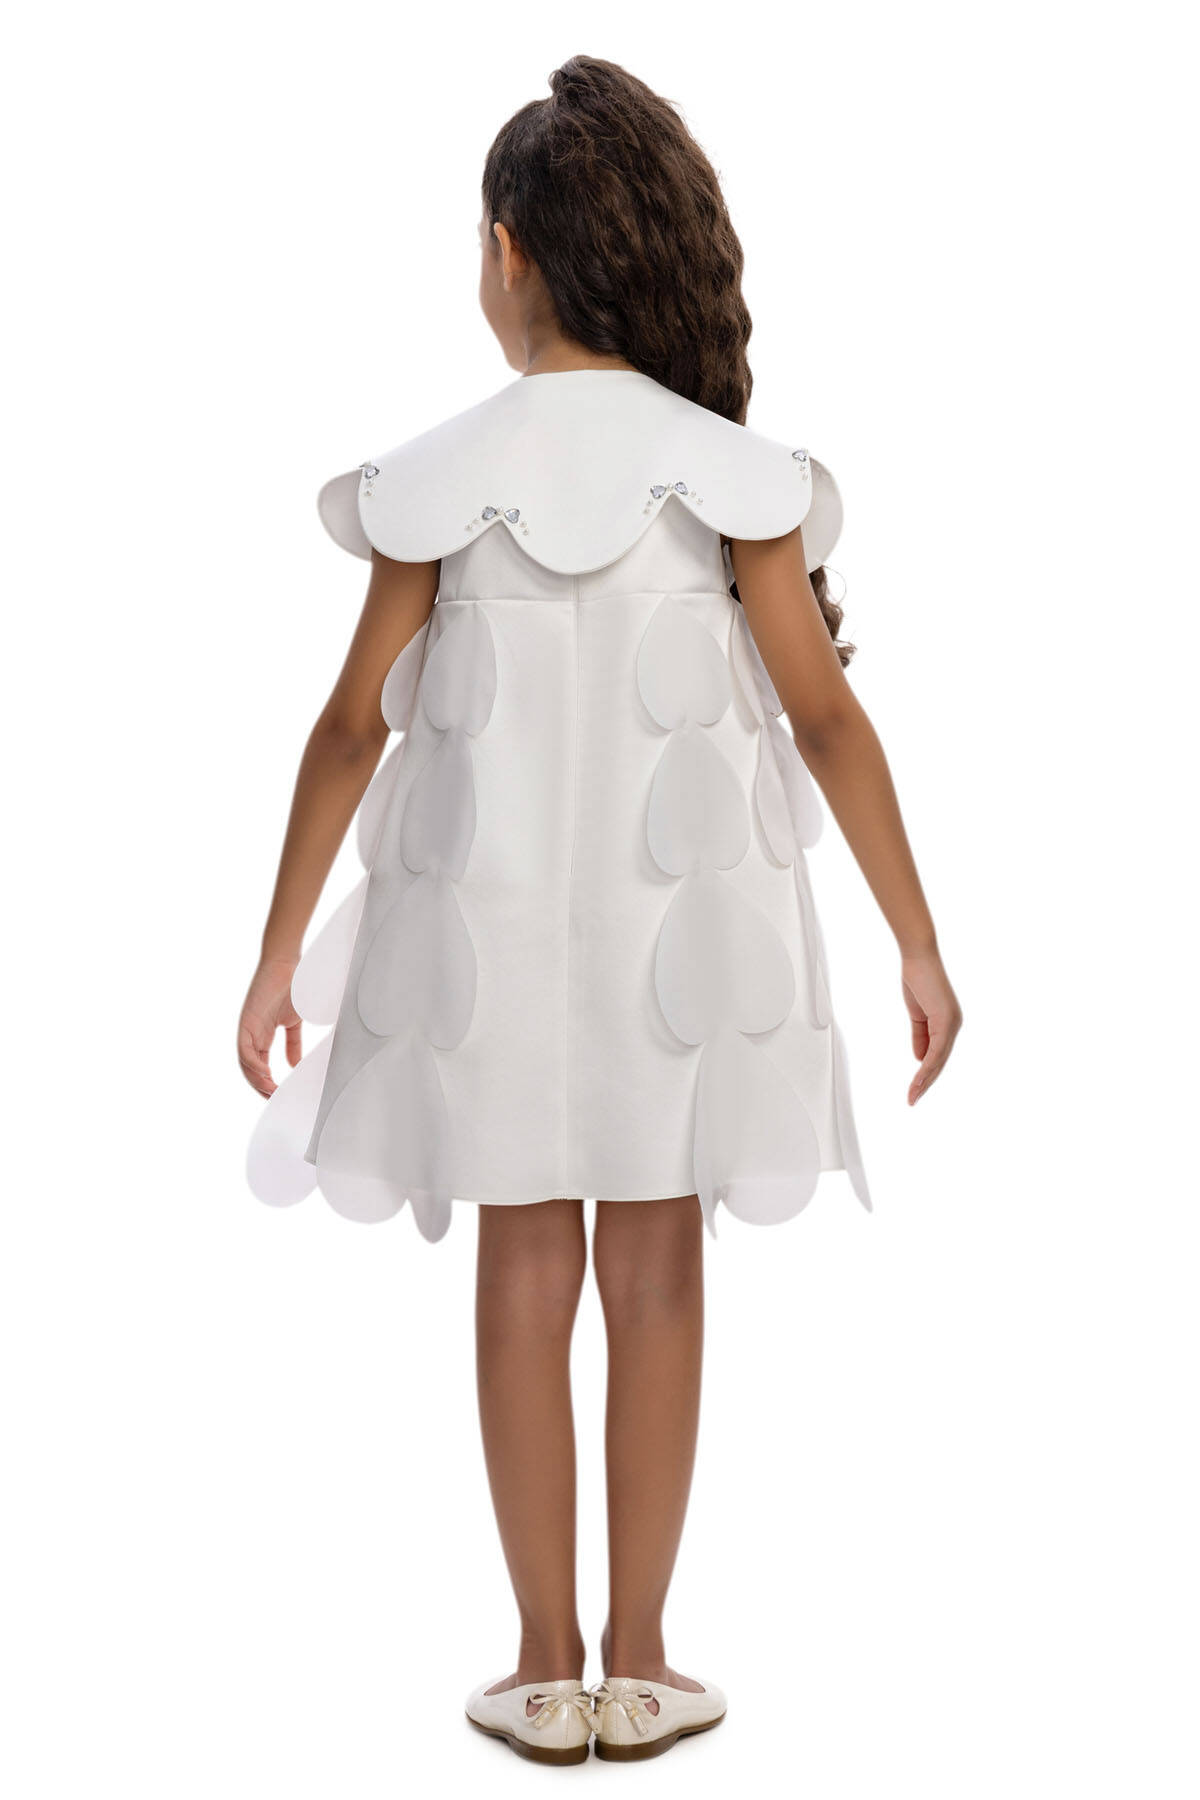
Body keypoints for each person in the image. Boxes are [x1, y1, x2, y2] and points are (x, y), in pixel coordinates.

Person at [238, 54, 962, 1766]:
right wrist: (918, 938)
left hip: (483, 945)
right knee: (655, 1269)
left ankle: (540, 1664)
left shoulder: (438, 476)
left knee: (520, 1264)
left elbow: (349, 729)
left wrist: (275, 953)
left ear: (509, 252)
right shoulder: (731, 475)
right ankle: (642, 1663)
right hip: (670, 950)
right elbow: (826, 718)